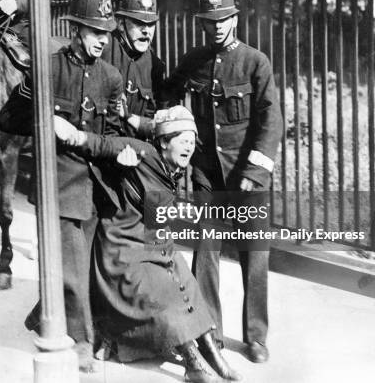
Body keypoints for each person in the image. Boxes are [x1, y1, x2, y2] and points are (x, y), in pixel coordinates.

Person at [51, 105, 241, 383]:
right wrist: (74, 136)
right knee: (165, 291)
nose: (189, 147)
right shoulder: (139, 151)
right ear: (164, 141)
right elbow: (101, 144)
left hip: (149, 241)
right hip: (121, 247)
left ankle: (213, 355)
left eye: (192, 141)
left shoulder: (172, 169)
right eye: (183, 140)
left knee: (186, 282)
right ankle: (193, 363)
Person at [0, 0, 123, 372]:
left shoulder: (111, 77)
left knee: (86, 266)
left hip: (97, 187)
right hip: (60, 184)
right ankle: (81, 342)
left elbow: (114, 136)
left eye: (105, 32)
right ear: (76, 29)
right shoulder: (48, 69)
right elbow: (9, 118)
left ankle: (46, 314)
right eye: (94, 31)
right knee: (71, 267)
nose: (101, 40)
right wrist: (46, 118)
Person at [161, 0, 283, 363]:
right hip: (208, 175)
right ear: (202, 23)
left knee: (255, 254)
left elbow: (272, 122)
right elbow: (167, 92)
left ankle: (257, 336)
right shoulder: (194, 61)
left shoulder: (254, 62)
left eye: (222, 19)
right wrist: (177, 126)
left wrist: (254, 172)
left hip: (246, 175)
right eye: (209, 21)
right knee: (207, 252)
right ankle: (208, 329)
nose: (216, 27)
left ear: (234, 18)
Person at [102, 0, 165, 139]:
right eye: (138, 23)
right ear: (121, 24)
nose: (146, 31)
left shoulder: (155, 66)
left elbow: (155, 119)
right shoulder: (104, 49)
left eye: (151, 24)